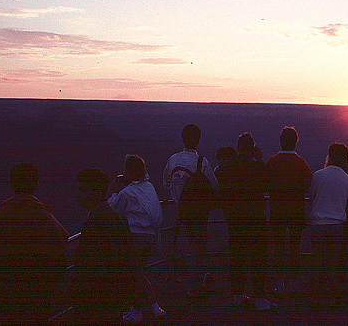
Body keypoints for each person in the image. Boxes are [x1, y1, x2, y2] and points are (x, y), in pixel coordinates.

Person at [0, 163, 69, 325]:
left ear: (12, 184)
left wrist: (1, 278)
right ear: (35, 185)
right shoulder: (44, 216)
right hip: (39, 291)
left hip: (9, 291)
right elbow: (61, 244)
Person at [215, 136, 276, 312]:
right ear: (253, 149)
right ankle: (260, 299)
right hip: (256, 219)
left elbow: (221, 187)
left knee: (237, 258)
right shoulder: (257, 167)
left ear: (238, 148)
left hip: (235, 220)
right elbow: (269, 183)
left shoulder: (229, 167)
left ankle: (237, 296)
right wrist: (260, 160)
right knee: (258, 259)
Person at [70, 168, 133, 324]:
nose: (77, 195)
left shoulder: (94, 223)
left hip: (98, 302)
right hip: (115, 297)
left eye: (82, 190)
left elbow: (91, 267)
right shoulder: (116, 216)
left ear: (98, 193)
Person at [162, 124, 218, 298]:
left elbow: (166, 182)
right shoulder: (201, 162)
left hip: (181, 209)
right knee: (198, 248)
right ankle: (195, 287)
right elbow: (214, 186)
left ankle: (180, 277)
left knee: (181, 244)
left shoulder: (172, 159)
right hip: (198, 211)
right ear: (198, 140)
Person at [109, 155, 165, 322]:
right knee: (139, 274)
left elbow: (114, 211)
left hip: (135, 238)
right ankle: (139, 310)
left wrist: (115, 191)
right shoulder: (149, 187)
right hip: (150, 237)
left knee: (135, 275)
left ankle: (154, 308)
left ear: (128, 171)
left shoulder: (126, 193)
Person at [265, 126, 313, 296]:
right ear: (295, 142)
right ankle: (293, 283)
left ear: (281, 141)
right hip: (296, 210)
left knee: (278, 247)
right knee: (295, 247)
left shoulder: (272, 161)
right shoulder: (302, 163)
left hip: (277, 210)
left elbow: (265, 184)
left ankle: (279, 282)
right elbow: (309, 186)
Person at [308, 142, 348, 298]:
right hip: (337, 224)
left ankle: (315, 296)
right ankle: (333, 296)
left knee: (316, 261)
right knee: (334, 262)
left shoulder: (318, 175)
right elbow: (347, 203)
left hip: (318, 223)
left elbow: (312, 197)